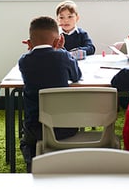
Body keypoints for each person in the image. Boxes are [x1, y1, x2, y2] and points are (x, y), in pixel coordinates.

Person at [18, 16, 82, 171]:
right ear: (58, 40)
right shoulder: (63, 56)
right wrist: (61, 49)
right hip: (66, 127)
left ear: (30, 43)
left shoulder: (24, 61)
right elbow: (76, 76)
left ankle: (33, 164)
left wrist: (33, 49)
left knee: (25, 141)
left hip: (36, 128)